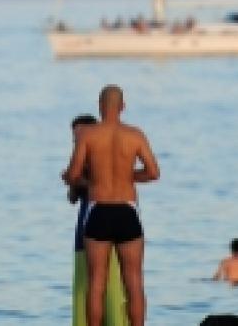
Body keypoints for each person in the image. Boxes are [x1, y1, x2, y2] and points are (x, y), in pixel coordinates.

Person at [63, 85, 160, 326]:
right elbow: (153, 172)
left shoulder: (88, 136)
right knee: (134, 281)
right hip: (127, 210)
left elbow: (74, 174)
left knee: (96, 282)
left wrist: (93, 179)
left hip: (99, 210)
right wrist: (128, 176)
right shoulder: (135, 135)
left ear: (100, 106)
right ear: (123, 107)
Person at [68, 115, 126, 326]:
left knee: (110, 299)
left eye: (80, 137)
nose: (77, 143)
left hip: (106, 238)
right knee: (83, 298)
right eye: (74, 139)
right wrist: (75, 178)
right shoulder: (80, 162)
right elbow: (72, 198)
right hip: (82, 239)